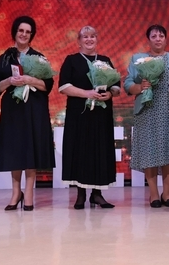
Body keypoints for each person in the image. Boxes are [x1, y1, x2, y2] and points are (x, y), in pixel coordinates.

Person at [0, 16, 55, 211]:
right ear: (15, 32)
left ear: (32, 35)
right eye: (21, 30)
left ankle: (28, 193)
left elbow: (48, 85)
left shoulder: (39, 58)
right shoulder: (5, 57)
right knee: (15, 148)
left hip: (34, 108)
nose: (24, 34)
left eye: (28, 32)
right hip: (13, 109)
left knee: (31, 148)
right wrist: (10, 81)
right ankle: (15, 192)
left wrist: (30, 79)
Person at [125, 24, 169, 208]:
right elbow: (127, 83)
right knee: (149, 150)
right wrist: (139, 87)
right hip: (147, 110)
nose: (158, 39)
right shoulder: (138, 59)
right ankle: (153, 193)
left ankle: (167, 193)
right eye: (154, 36)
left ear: (165, 39)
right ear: (149, 40)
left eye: (161, 35)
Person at [58, 26, 121, 209]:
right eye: (85, 37)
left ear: (97, 39)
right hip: (79, 114)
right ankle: (80, 195)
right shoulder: (71, 60)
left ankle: (97, 195)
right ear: (79, 41)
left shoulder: (105, 60)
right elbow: (63, 86)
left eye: (92, 36)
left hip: (101, 115)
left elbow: (116, 85)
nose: (89, 39)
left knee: (100, 151)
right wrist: (86, 93)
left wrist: (110, 94)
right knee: (80, 151)